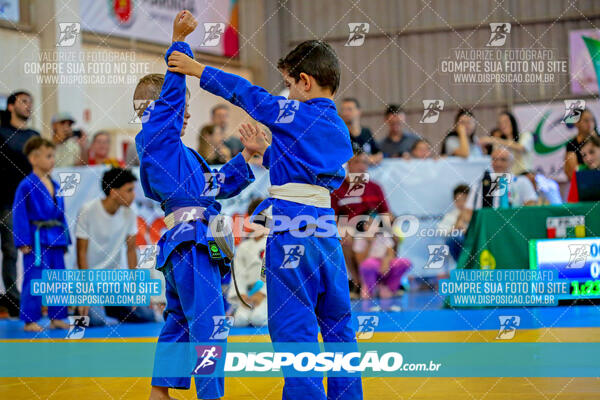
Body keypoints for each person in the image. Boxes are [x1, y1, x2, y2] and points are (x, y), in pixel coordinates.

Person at [168, 36, 363, 399]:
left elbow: (246, 92)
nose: (285, 94)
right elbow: (307, 169)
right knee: (339, 329)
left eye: (289, 85)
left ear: (305, 81)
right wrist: (267, 152)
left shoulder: (295, 112)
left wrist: (197, 70)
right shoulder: (339, 129)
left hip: (292, 236)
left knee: (295, 333)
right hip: (327, 238)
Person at [135, 11, 265, 400]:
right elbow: (170, 103)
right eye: (182, 106)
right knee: (209, 325)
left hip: (194, 241)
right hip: (190, 242)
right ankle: (211, 394)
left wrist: (248, 156)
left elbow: (218, 185)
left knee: (179, 321)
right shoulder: (154, 139)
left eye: (188, 107)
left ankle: (161, 392)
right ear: (154, 108)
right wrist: (178, 45)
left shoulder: (182, 155)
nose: (187, 113)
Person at [75, 168, 153, 326]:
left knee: (147, 315)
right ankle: (80, 306)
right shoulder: (87, 210)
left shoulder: (129, 213)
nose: (133, 195)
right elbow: (81, 253)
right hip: (90, 282)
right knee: (96, 321)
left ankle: (112, 307)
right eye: (129, 190)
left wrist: (136, 287)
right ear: (114, 192)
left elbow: (131, 251)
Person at [12, 137, 70, 332]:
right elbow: (19, 214)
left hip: (56, 236)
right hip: (36, 239)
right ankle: (30, 320)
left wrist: (65, 239)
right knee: (35, 278)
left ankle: (58, 317)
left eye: (53, 156)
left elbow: (62, 215)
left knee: (58, 279)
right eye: (48, 156)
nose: (52, 160)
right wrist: (22, 240)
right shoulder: (26, 185)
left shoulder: (56, 185)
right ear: (34, 158)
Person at [331, 151, 391, 298]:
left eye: (365, 162)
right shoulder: (338, 189)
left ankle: (383, 281)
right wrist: (344, 228)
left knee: (390, 236)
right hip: (350, 227)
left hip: (373, 226)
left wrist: (379, 227)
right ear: (348, 165)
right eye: (358, 162)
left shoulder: (375, 187)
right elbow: (332, 216)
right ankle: (356, 282)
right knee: (344, 238)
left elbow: (387, 213)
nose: (362, 166)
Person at [0, 91, 39, 317]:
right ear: (12, 105)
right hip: (5, 199)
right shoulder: (2, 133)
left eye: (31, 102)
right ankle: (14, 301)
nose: (29, 106)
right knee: (10, 250)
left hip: (28, 202)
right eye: (24, 101)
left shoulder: (33, 135)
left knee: (29, 250)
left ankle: (29, 300)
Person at [455, 147, 538, 232]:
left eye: (503, 160)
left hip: (514, 230)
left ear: (511, 163)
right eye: (495, 159)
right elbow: (467, 211)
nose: (498, 163)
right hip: (486, 230)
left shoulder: (521, 182)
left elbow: (531, 207)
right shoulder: (480, 184)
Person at [227, 198, 268, 327]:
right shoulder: (244, 246)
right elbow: (238, 275)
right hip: (248, 294)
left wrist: (262, 293)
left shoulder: (272, 243)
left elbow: (277, 274)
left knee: (258, 318)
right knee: (239, 321)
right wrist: (242, 295)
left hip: (267, 294)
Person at [353, 215, 410, 300]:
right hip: (370, 267)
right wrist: (369, 243)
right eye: (368, 224)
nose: (372, 226)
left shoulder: (383, 235)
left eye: (374, 223)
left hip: (384, 264)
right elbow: (360, 261)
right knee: (368, 264)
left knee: (404, 263)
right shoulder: (360, 238)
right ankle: (371, 289)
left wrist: (385, 262)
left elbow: (391, 253)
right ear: (363, 226)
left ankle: (388, 287)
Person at [340, 97, 382, 164]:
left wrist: (367, 160)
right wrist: (357, 159)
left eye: (349, 109)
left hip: (368, 171)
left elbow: (379, 154)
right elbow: (339, 157)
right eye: (343, 110)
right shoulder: (340, 134)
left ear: (359, 112)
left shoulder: (366, 132)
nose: (345, 113)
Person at [564, 108, 599, 179]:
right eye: (586, 120)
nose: (590, 123)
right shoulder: (572, 145)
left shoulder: (598, 139)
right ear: (576, 123)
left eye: (592, 120)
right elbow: (573, 174)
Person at [567, 135, 600, 202]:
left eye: (591, 152)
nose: (588, 158)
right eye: (584, 155)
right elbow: (572, 203)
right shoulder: (579, 172)